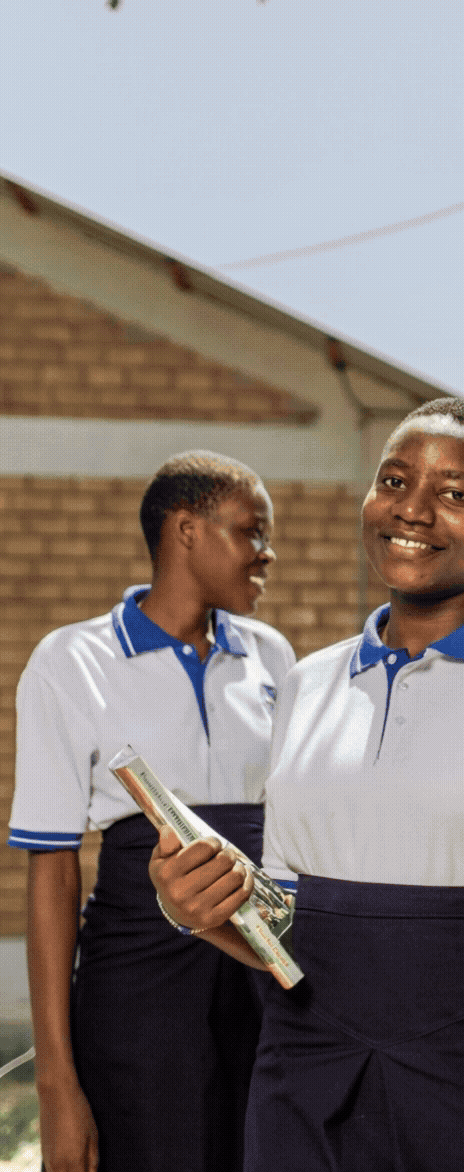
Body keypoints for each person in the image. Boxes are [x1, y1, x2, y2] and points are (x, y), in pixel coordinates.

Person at [151, 398, 464, 1172]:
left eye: (456, 494)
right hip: (302, 1089)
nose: (414, 509)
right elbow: (290, 934)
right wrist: (194, 911)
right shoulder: (308, 684)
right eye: (396, 480)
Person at [9, 452, 296, 1172]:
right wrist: (56, 1084)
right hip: (137, 991)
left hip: (265, 978)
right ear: (187, 530)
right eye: (251, 531)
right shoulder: (71, 661)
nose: (268, 553)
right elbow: (52, 874)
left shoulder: (274, 658)